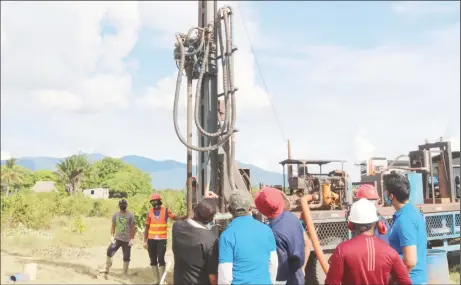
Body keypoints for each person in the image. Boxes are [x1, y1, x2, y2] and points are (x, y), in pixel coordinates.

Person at [325, 199, 412, 285]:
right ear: (379, 224)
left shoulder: (342, 250)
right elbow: (405, 282)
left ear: (351, 225)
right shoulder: (390, 252)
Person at [218, 191, 278, 284]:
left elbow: (225, 276)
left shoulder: (227, 235)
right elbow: (273, 263)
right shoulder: (266, 230)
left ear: (229, 209)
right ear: (250, 208)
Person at [255, 187, 306, 285]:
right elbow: (306, 243)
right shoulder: (291, 218)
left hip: (287, 280)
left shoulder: (275, 233)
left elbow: (280, 270)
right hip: (297, 275)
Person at [384, 171, 428, 284]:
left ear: (391, 196)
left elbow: (410, 261)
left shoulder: (405, 220)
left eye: (385, 191)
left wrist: (390, 280)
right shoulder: (409, 212)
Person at [172, 198, 219, 285]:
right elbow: (212, 277)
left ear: (194, 210)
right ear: (212, 218)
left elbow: (188, 222)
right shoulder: (211, 240)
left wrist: (203, 204)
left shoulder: (177, 227)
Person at [144, 193, 179, 285]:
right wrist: (145, 241)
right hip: (151, 240)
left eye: (156, 201)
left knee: (161, 259)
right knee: (153, 260)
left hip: (161, 239)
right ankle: (156, 280)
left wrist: (186, 217)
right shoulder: (149, 212)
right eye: (153, 201)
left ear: (160, 202)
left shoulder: (166, 211)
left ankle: (162, 280)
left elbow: (175, 218)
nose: (154, 203)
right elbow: (147, 227)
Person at [101, 199, 135, 278]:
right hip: (117, 239)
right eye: (121, 206)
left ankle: (124, 273)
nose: (122, 207)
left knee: (126, 257)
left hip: (127, 240)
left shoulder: (130, 215)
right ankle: (107, 268)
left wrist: (132, 238)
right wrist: (112, 236)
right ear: (119, 206)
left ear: (126, 206)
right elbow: (113, 226)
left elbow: (133, 227)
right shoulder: (115, 215)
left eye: (124, 206)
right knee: (110, 251)